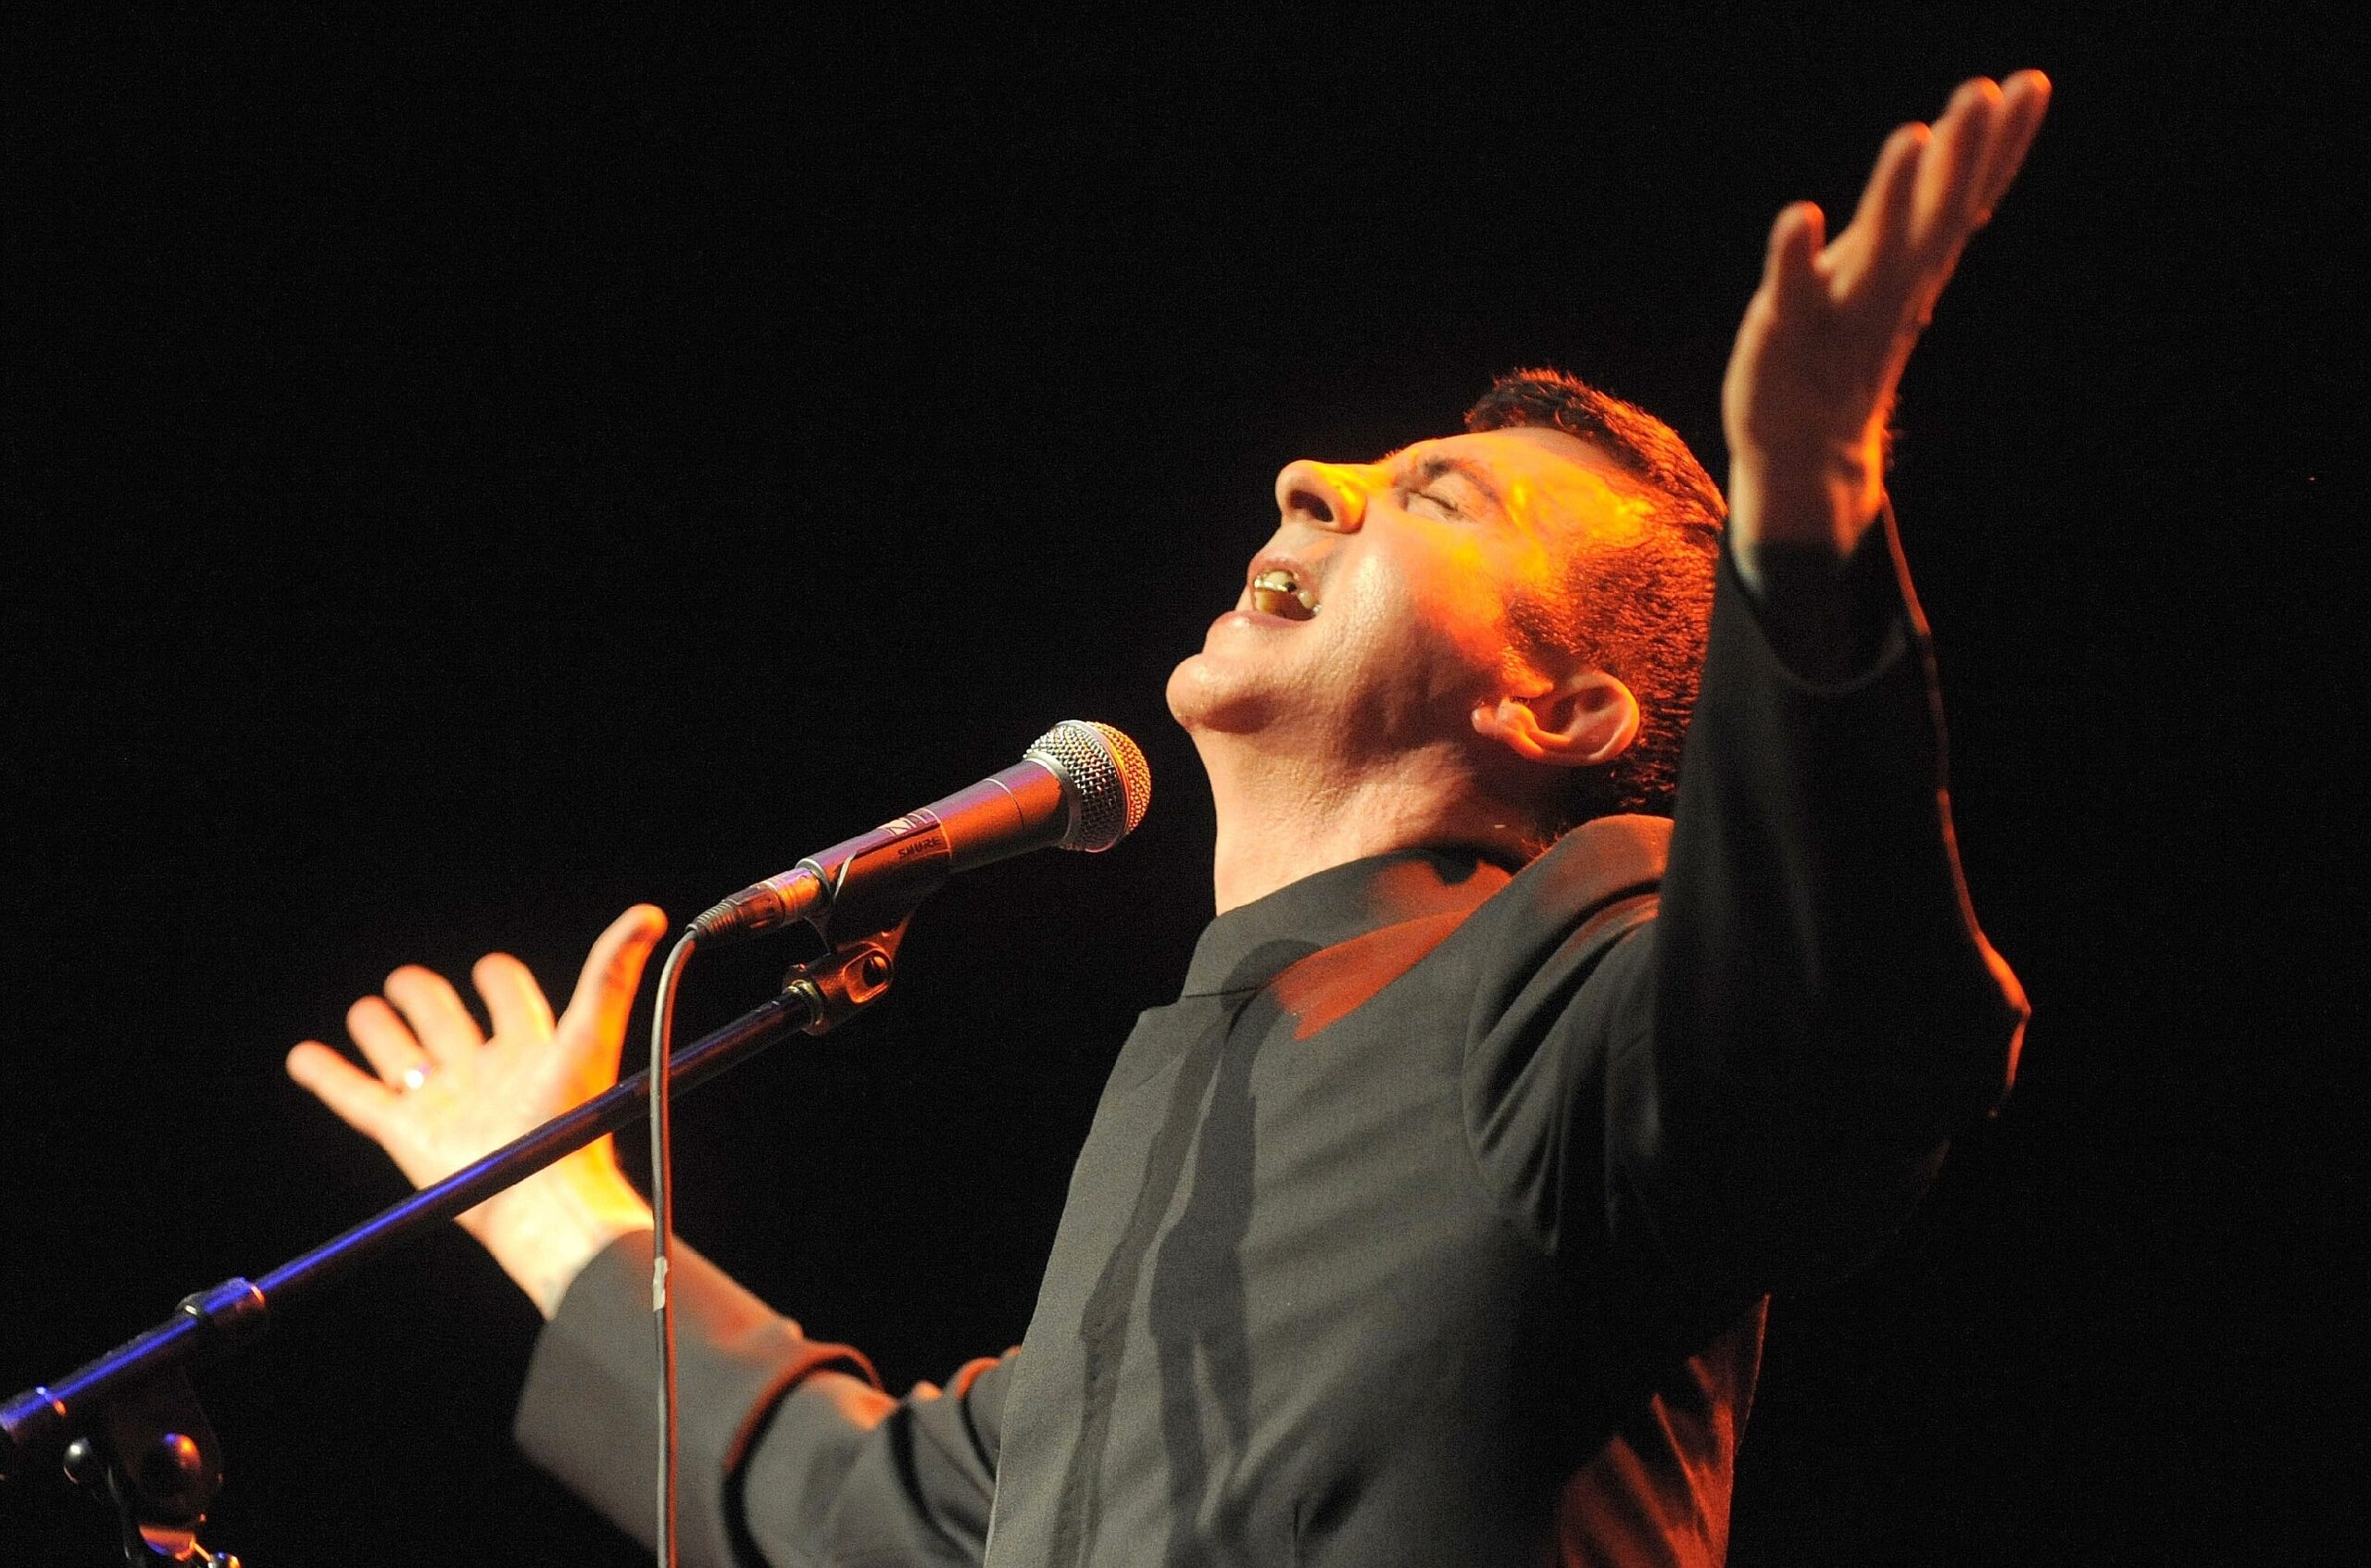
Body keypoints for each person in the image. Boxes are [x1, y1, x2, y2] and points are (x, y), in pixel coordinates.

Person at [286, 72, 2050, 1568]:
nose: (1314, 478)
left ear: (1556, 709)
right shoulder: (1179, 1114)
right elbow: (863, 1497)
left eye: (1433, 493)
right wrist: (541, 1204)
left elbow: (1839, 1019)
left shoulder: (1574, 969)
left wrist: (1806, 524)